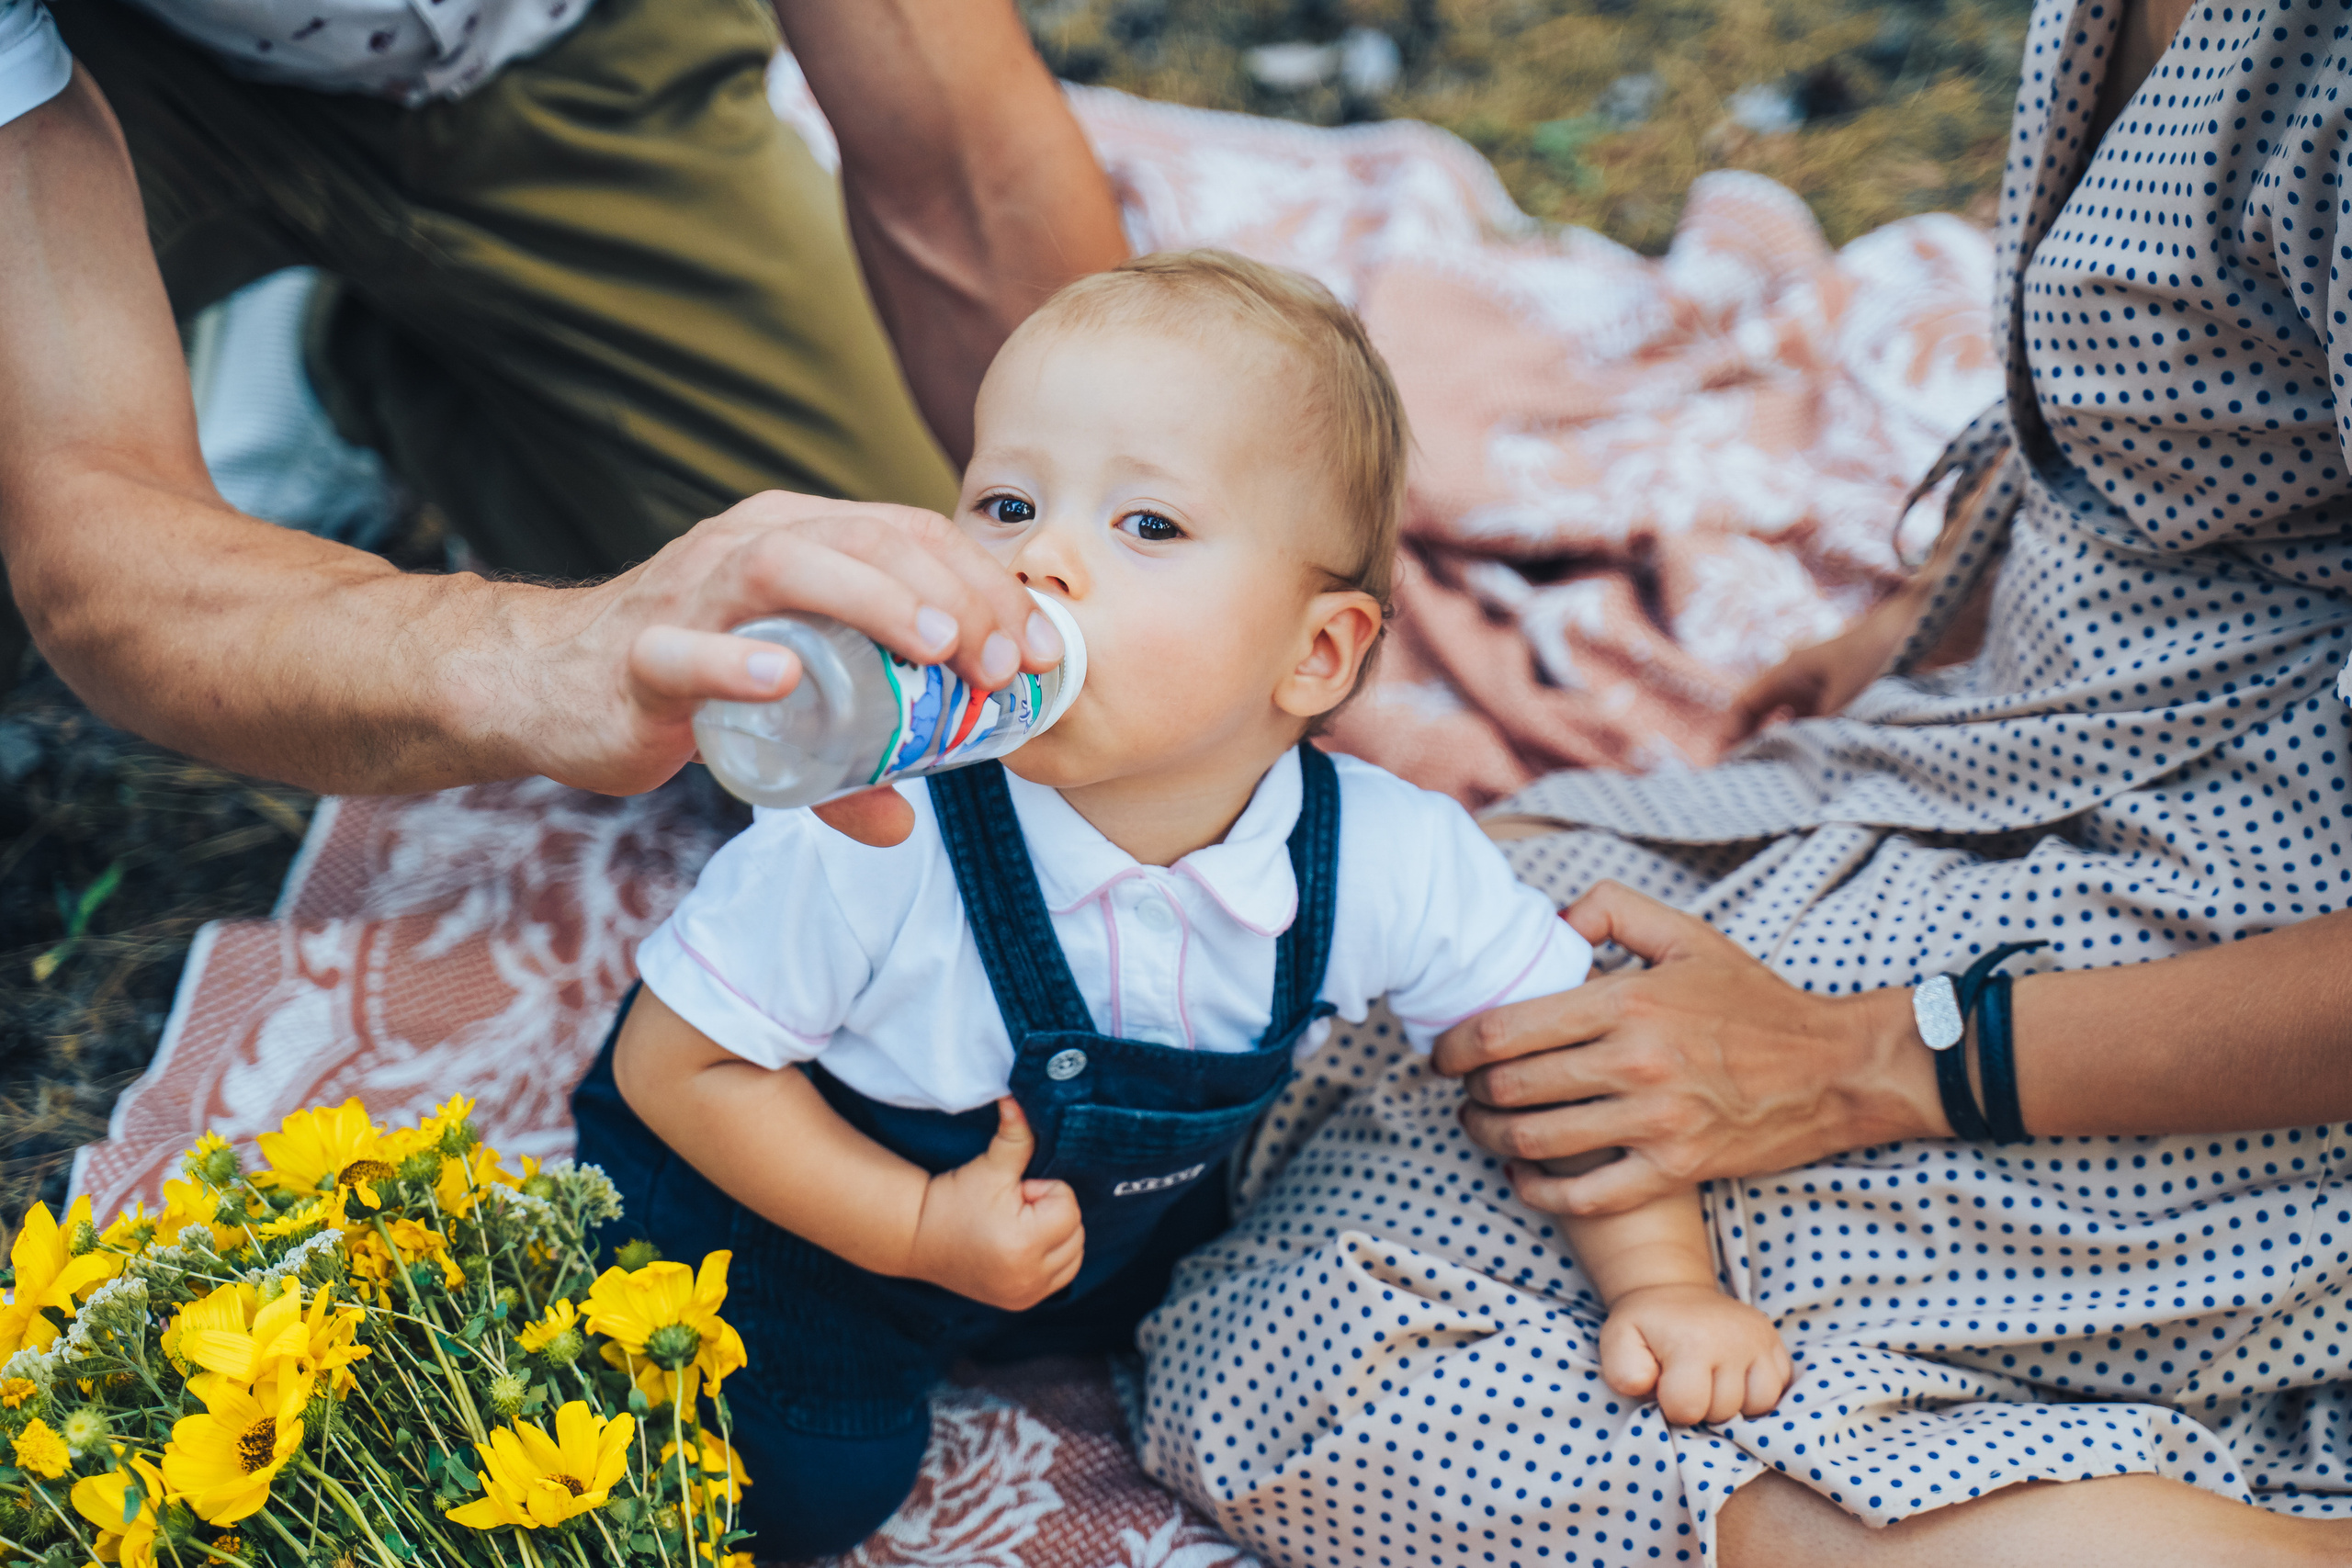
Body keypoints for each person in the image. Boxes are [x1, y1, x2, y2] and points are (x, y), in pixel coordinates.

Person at [1133, 0, 2352, 1562]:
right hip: (2038, 759)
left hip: (2242, 959)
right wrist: (1935, 613)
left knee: (1333, 1351)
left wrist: (1869, 1063)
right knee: (1359, 999)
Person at [565, 251, 1797, 1558]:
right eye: (1005, 503)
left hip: (1084, 1233)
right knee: (812, 1482)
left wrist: (1662, 1281)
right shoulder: (880, 833)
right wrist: (918, 1226)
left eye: (1145, 525)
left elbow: (1563, 1056)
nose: (1042, 557)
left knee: (1243, 1296)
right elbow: (674, 1062)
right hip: (793, 1212)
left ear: (1315, 653)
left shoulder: (1381, 855)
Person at [0, 0, 1124, 830]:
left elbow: (961, 166)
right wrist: (547, 661)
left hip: (550, 48)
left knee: (872, 640)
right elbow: (94, 518)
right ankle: (165, 338)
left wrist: (1149, 547)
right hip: (101, 86)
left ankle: (359, 351)